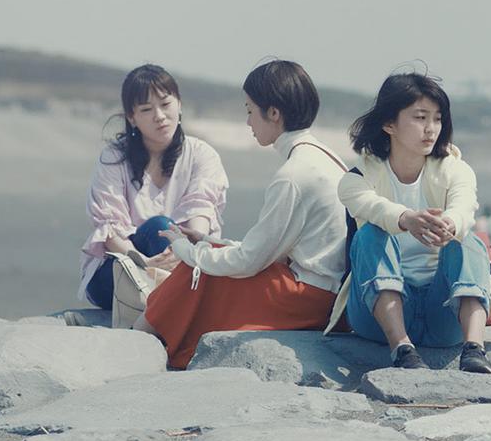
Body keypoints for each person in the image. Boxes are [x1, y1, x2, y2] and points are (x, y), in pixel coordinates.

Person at [135, 60, 347, 369]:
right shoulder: (324, 157)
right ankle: (154, 338)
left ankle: (140, 337)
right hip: (325, 292)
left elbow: (250, 261)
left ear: (273, 113)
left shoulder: (293, 175)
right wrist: (205, 241)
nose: (248, 122)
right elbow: (265, 250)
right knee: (207, 258)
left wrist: (186, 251)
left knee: (198, 271)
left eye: (250, 110)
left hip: (305, 297)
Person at [324, 72, 491, 373]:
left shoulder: (456, 170)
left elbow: (464, 209)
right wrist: (406, 219)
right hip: (376, 318)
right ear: (389, 124)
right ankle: (402, 349)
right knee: (369, 235)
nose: (431, 128)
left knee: (468, 241)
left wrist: (449, 224)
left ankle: (474, 349)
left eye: (437, 119)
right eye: (420, 117)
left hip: (444, 314)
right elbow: (374, 207)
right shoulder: (356, 179)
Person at [79, 64, 228, 311]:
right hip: (120, 269)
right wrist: (146, 264)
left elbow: (200, 214)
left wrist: (183, 254)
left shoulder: (202, 155)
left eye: (166, 104)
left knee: (169, 233)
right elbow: (109, 229)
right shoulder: (114, 158)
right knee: (161, 227)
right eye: (146, 109)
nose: (159, 116)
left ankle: (174, 305)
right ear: (131, 118)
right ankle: (179, 307)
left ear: (179, 105)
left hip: (181, 264)